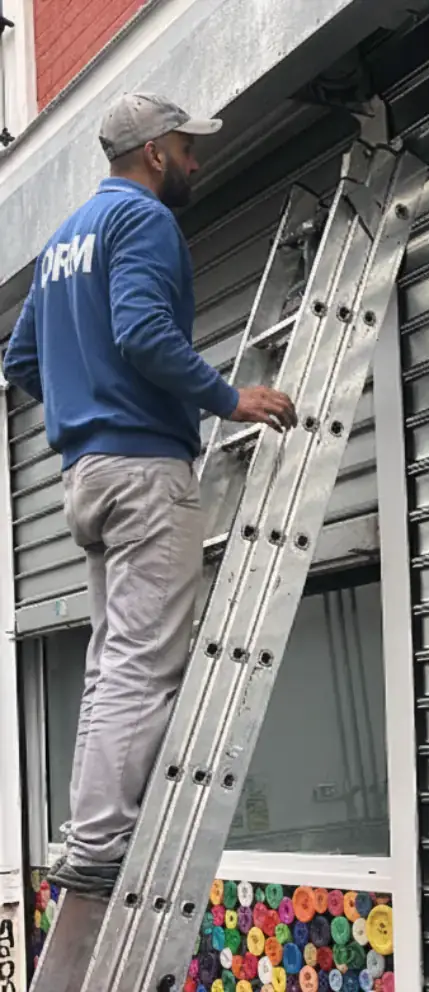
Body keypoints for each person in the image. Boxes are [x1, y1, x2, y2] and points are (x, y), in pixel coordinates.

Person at [2, 93, 298, 896]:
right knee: (139, 664)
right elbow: (141, 331)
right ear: (153, 153)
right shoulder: (142, 222)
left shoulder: (65, 238)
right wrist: (230, 398)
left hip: (85, 479)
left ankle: (88, 831)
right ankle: (102, 845)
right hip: (140, 472)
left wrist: (82, 404)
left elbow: (22, 360)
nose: (195, 161)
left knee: (111, 664)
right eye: (185, 146)